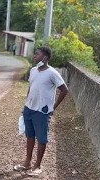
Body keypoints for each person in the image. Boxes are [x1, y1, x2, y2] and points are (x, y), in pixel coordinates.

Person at [14, 46, 68, 176]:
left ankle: (37, 166)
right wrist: (26, 105)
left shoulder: (52, 73)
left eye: (37, 54)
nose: (34, 57)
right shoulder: (33, 70)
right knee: (30, 136)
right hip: (29, 109)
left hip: (42, 112)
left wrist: (53, 108)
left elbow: (64, 90)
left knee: (42, 138)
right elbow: (31, 88)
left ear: (45, 58)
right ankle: (27, 162)